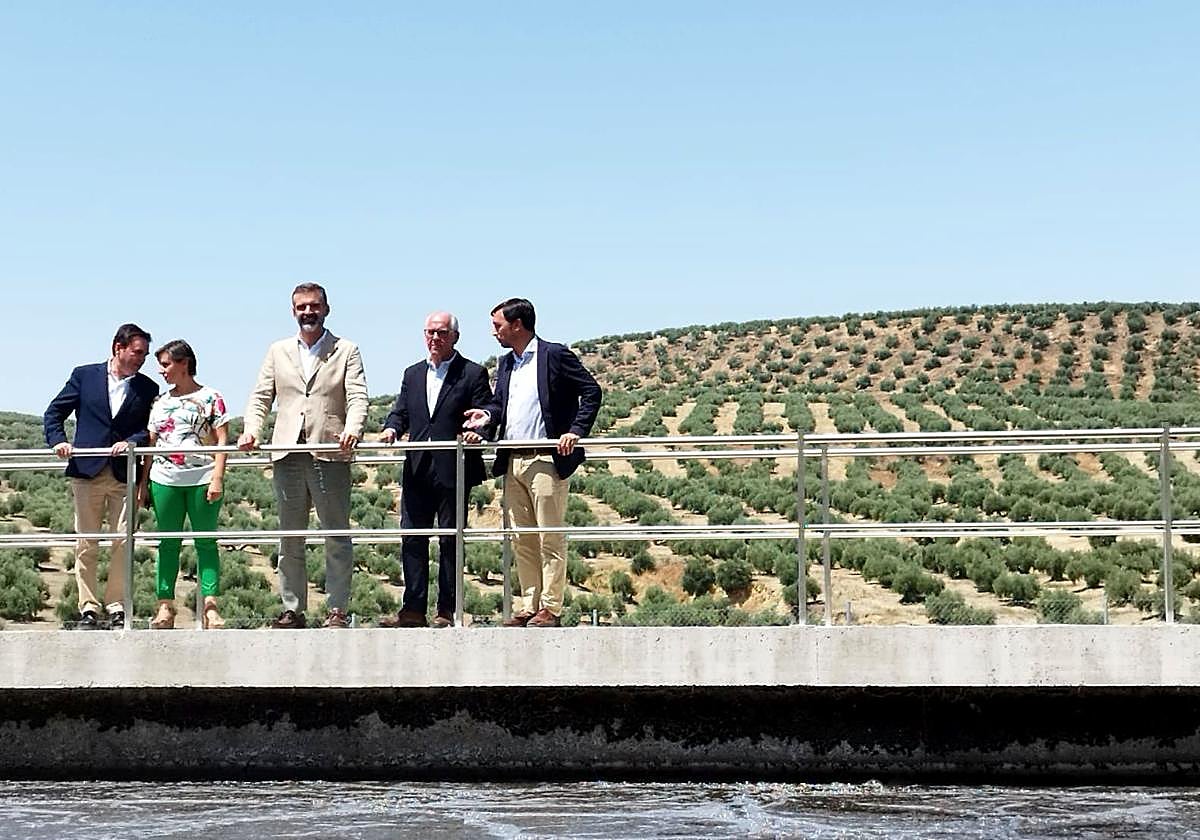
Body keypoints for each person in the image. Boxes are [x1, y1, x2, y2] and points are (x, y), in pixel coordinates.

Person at [464, 297, 602, 628]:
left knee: (549, 537)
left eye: (497, 325)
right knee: (521, 538)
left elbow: (591, 391)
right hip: (512, 460)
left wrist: (575, 431)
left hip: (546, 460)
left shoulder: (554, 355)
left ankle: (550, 609)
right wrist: (485, 417)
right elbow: (501, 406)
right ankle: (529, 605)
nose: (493, 331)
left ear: (517, 325)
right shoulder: (506, 363)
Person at [238, 283, 369, 629]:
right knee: (289, 536)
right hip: (287, 452)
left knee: (336, 534)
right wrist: (252, 429)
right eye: (301, 307)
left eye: (314, 306)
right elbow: (261, 396)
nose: (308, 312)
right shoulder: (278, 350)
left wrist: (353, 428)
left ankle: (337, 610)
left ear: (326, 309)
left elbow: (357, 396)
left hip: (329, 450)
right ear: (293, 310)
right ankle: (292, 609)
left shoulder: (346, 349)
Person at [378, 311, 493, 628]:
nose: (435, 338)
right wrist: (391, 429)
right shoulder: (412, 374)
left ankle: (447, 609)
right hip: (416, 468)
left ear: (455, 336)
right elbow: (401, 411)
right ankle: (412, 609)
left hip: (453, 468)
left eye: (441, 333)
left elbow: (486, 412)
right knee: (412, 537)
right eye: (430, 332)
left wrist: (478, 431)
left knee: (450, 540)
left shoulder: (472, 373)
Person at [44, 323, 159, 630]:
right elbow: (54, 413)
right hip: (86, 472)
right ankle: (88, 608)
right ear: (117, 348)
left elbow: (149, 430)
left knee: (124, 540)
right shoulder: (84, 375)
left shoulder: (148, 388)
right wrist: (58, 441)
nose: (141, 359)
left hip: (125, 474)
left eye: (145, 355)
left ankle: (117, 605)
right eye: (137, 352)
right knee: (86, 543)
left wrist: (132, 442)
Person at [138, 340, 230, 630]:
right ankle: (165, 606)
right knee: (168, 543)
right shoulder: (160, 402)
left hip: (202, 478)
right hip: (164, 480)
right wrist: (143, 484)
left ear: (184, 364)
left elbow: (222, 440)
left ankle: (210, 606)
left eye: (166, 364)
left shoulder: (211, 397)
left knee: (206, 542)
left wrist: (218, 476)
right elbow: (152, 444)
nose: (162, 371)